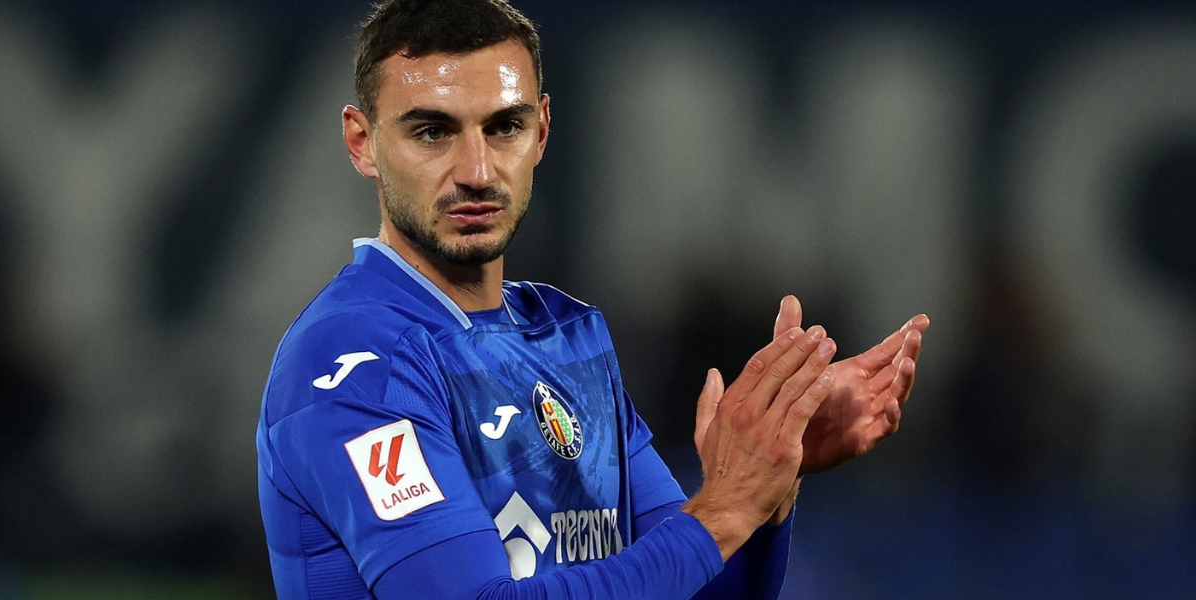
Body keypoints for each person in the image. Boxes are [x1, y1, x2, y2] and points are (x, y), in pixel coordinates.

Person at [255, 1, 929, 598]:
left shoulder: (564, 336)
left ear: (541, 131)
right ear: (361, 142)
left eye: (503, 127)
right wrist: (723, 508)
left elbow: (693, 585)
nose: (477, 171)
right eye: (432, 132)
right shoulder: (352, 361)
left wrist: (767, 477)